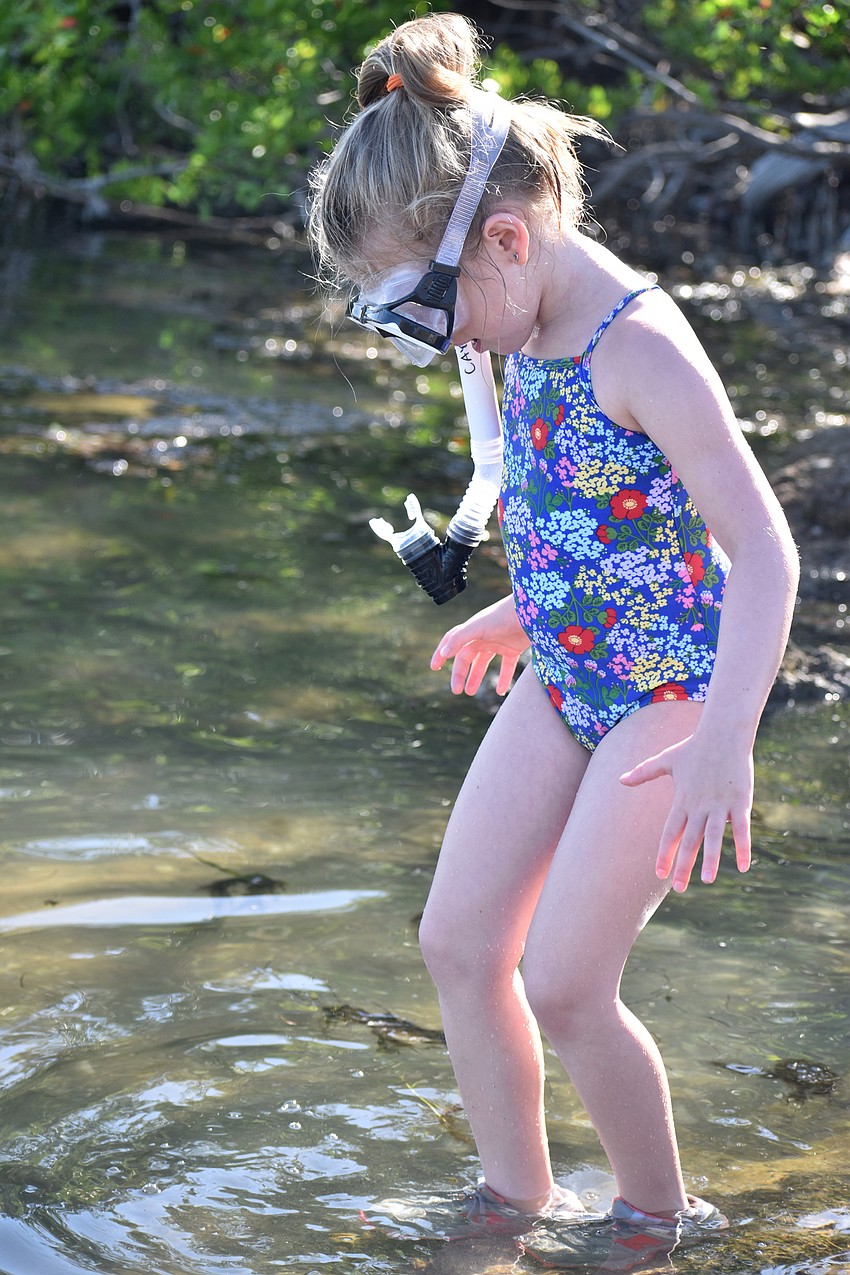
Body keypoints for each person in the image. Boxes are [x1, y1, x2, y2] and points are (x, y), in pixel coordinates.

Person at [308, 12, 799, 1270]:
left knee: (568, 985)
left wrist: (723, 744)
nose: (444, 345)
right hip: (570, 668)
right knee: (459, 943)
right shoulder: (520, 323)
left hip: (672, 696)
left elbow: (760, 552)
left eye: (432, 315)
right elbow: (591, 513)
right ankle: (513, 1199)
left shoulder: (638, 347)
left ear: (508, 241)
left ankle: (652, 1221)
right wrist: (524, 604)